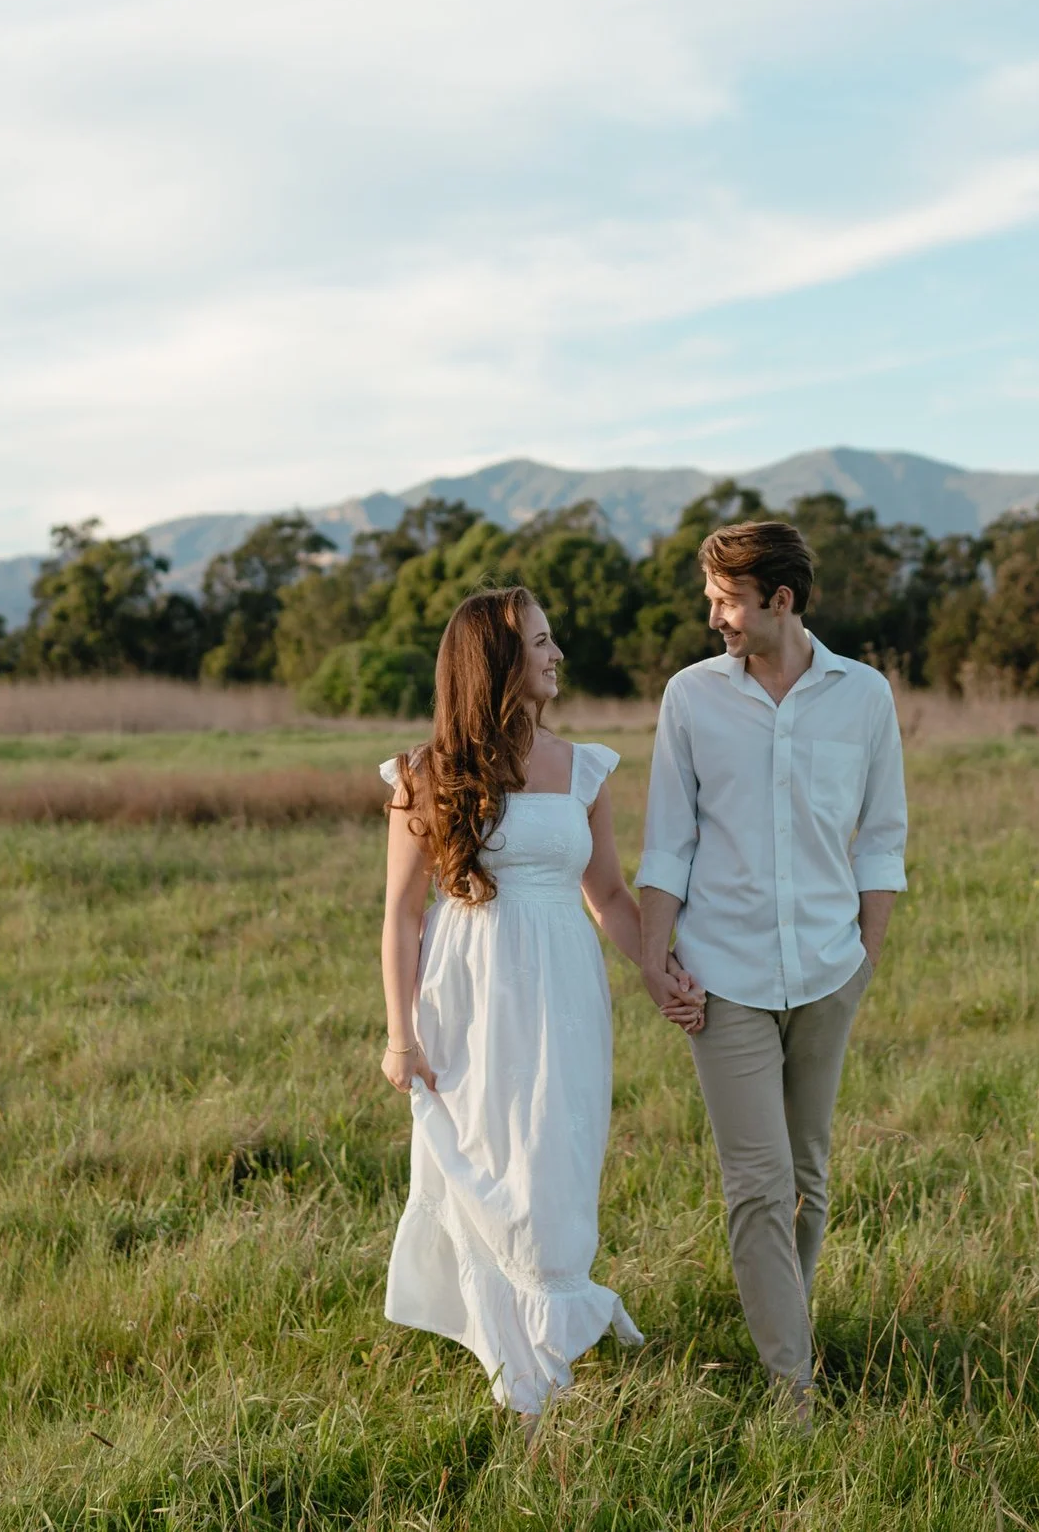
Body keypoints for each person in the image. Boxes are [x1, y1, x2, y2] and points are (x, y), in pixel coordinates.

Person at [634, 520, 908, 1423]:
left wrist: (863, 961)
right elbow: (668, 840)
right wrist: (654, 957)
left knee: (807, 1178)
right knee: (757, 1183)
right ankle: (793, 1387)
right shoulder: (690, 698)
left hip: (830, 972)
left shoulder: (863, 697)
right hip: (726, 978)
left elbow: (883, 838)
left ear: (777, 601)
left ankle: (786, 1320)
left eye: (724, 601)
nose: (714, 618)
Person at [376, 586, 661, 1421]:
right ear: (498, 664)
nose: (556, 654)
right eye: (540, 641)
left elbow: (607, 892)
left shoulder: (585, 767)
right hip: (468, 993)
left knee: (556, 1156)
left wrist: (658, 966)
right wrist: (401, 1034)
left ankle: (550, 1323)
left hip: (566, 990)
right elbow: (400, 914)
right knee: (488, 1155)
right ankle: (516, 1354)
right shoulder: (425, 775)